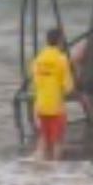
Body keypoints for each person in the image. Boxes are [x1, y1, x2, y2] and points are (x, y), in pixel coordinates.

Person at [31, 27, 74, 161]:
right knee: (57, 141)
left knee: (43, 138)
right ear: (60, 41)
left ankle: (39, 166)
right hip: (56, 107)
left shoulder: (38, 59)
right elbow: (68, 87)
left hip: (40, 105)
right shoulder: (61, 59)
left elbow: (36, 82)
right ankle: (55, 173)